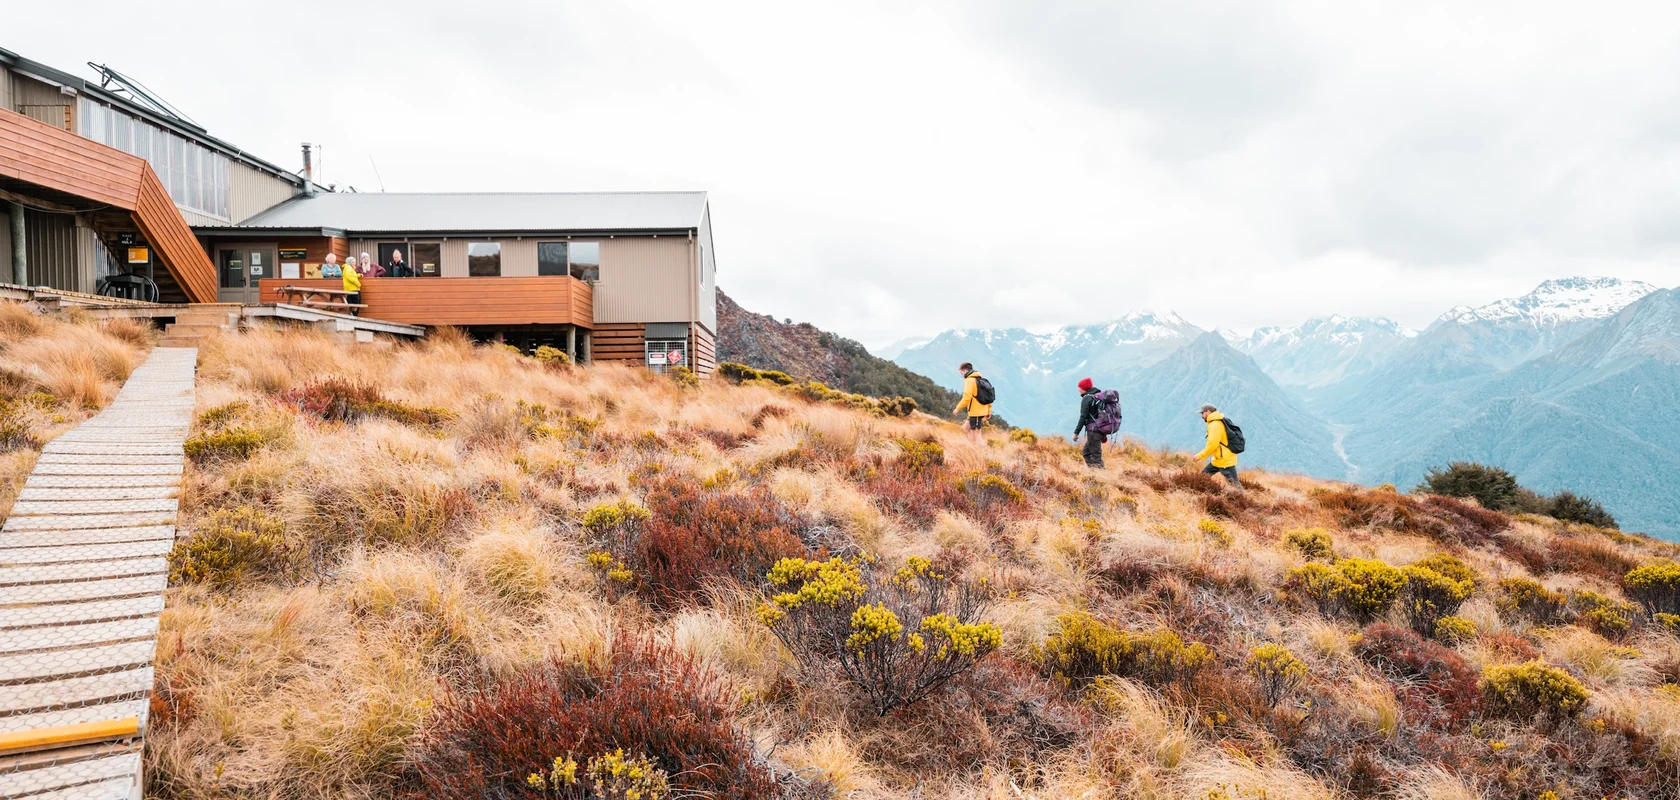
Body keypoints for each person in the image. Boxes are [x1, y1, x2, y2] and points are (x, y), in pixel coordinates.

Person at [1194, 403, 1241, 488]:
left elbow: (1212, 445)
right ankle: (1201, 493)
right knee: (1202, 478)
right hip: (1217, 460)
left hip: (1225, 461)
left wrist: (1199, 456)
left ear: (1208, 412)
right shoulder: (1216, 421)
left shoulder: (1215, 425)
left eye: (1202, 413)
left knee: (1236, 486)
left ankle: (1244, 500)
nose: (1202, 416)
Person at [951, 362, 992, 443]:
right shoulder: (980, 379)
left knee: (977, 434)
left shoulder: (969, 381)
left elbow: (966, 398)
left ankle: (983, 452)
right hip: (980, 411)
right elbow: (988, 397)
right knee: (965, 429)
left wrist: (957, 408)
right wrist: (988, 410)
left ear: (965, 370)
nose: (962, 375)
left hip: (976, 412)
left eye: (962, 373)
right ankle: (974, 447)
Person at [1072, 377, 1106, 469]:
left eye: (1079, 387)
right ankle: (1094, 473)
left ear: (1084, 388)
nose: (1078, 389)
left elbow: (1083, 417)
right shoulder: (1097, 396)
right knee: (1086, 453)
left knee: (1096, 457)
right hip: (1100, 430)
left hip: (1093, 431)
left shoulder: (1087, 399)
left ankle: (1103, 477)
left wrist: (1076, 433)